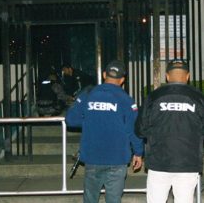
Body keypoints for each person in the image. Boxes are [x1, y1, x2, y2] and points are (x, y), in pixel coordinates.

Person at [65, 60, 143, 203]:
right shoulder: (126, 100)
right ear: (122, 80)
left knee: (90, 199)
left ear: (104, 74)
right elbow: (134, 129)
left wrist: (92, 121)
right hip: (117, 158)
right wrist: (138, 152)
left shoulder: (87, 94)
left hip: (93, 156)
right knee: (114, 199)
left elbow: (70, 119)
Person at [135, 59, 204, 203]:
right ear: (187, 76)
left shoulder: (154, 96)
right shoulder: (199, 98)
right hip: (188, 162)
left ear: (167, 76)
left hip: (158, 162)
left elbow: (140, 130)